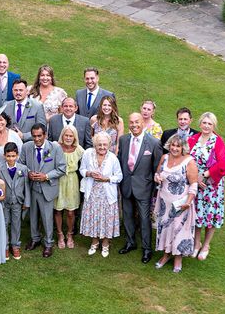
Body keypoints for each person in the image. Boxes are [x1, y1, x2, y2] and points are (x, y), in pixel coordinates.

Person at [117, 112, 163, 263]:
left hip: (144, 187)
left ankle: (146, 249)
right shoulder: (123, 140)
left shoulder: (153, 143)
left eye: (137, 122)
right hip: (126, 185)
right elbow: (121, 161)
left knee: (144, 219)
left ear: (143, 122)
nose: (134, 125)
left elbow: (156, 168)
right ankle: (130, 242)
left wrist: (153, 188)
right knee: (128, 216)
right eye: (131, 122)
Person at [188, 112, 225, 261]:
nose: (206, 126)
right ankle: (196, 244)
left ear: (214, 126)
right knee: (197, 215)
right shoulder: (193, 139)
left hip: (211, 187)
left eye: (209, 124)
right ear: (200, 124)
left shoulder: (217, 141)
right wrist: (195, 177)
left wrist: (206, 175)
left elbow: (224, 163)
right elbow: (187, 159)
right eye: (204, 123)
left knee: (210, 215)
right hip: (196, 183)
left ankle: (206, 245)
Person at [153, 135, 199, 273]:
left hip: (181, 204)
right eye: (172, 145)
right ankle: (166, 254)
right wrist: (157, 178)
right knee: (166, 228)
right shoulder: (165, 158)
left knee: (178, 229)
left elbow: (194, 184)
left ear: (183, 147)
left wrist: (188, 202)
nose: (174, 148)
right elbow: (158, 173)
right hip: (164, 202)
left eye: (178, 146)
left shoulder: (189, 162)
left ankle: (178, 258)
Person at [20, 123, 66, 258]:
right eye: (34, 136)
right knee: (33, 216)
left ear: (45, 135)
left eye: (39, 136)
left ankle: (48, 243)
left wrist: (46, 176)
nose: (36, 139)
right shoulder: (26, 147)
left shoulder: (55, 148)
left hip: (47, 188)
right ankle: (35, 239)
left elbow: (62, 168)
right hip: (32, 188)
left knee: (47, 218)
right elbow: (21, 165)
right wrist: (28, 173)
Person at [79, 132, 123, 257]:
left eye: (105, 144)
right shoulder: (88, 153)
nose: (102, 147)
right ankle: (94, 242)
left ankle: (105, 244)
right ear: (95, 145)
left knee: (106, 218)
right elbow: (81, 169)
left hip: (107, 195)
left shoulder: (113, 158)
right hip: (92, 192)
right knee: (94, 217)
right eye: (99, 145)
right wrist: (89, 173)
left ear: (109, 145)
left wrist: (106, 179)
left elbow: (119, 176)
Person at [54, 125, 84, 249]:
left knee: (71, 212)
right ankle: (60, 234)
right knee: (58, 209)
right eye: (66, 135)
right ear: (62, 135)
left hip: (72, 180)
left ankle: (70, 234)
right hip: (59, 180)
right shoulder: (56, 147)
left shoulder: (79, 150)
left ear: (74, 137)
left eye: (71, 136)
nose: (68, 138)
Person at [0, 143, 30, 261]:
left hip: (18, 201)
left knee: (16, 224)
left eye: (13, 156)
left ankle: (15, 245)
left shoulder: (23, 169)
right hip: (4, 201)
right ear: (4, 156)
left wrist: (26, 202)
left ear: (17, 155)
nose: (11, 158)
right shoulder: (0, 169)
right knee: (5, 223)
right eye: (8, 156)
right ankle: (5, 246)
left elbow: (26, 186)